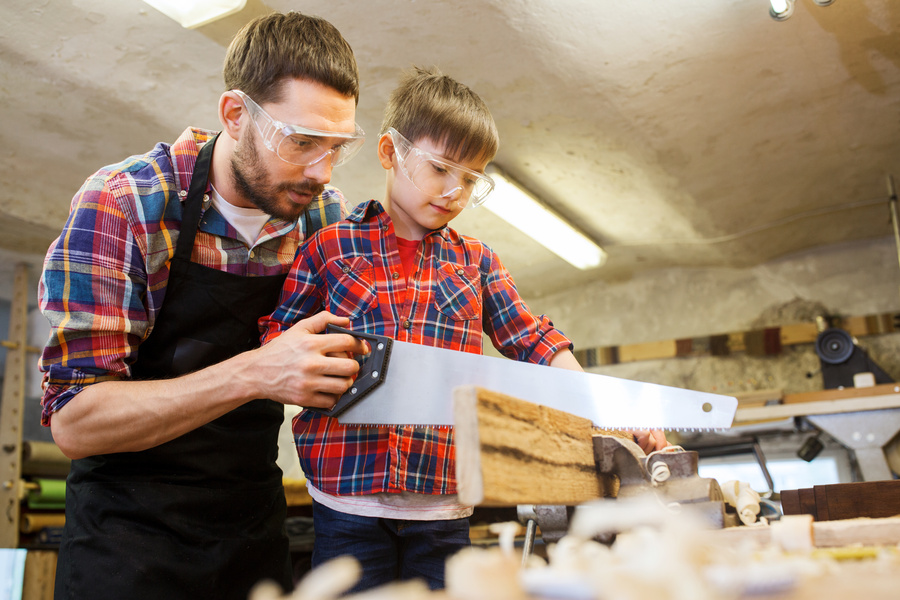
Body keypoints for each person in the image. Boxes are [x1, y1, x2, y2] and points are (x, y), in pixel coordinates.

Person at [259, 66, 668, 592]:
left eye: (471, 178)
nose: (454, 190)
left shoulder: (476, 263)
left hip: (444, 507)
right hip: (346, 501)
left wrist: (612, 412)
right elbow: (277, 347)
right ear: (390, 152)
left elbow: (535, 341)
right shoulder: (331, 248)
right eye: (440, 168)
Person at [37, 12, 370, 600]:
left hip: (251, 533)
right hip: (127, 545)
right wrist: (255, 372)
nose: (321, 171)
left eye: (337, 148)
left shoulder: (322, 217)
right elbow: (74, 421)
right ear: (235, 115)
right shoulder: (126, 204)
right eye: (301, 142)